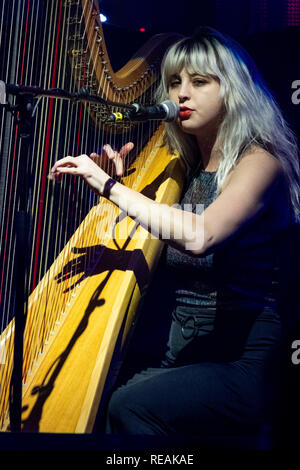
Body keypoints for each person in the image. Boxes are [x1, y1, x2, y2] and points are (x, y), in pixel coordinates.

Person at [49, 27, 300, 438]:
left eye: (199, 82)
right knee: (97, 404)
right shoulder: (183, 165)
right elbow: (147, 231)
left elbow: (200, 236)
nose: (181, 94)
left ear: (233, 90)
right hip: (181, 348)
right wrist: (119, 185)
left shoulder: (261, 161)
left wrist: (111, 188)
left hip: (238, 359)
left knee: (128, 406)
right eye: (174, 82)